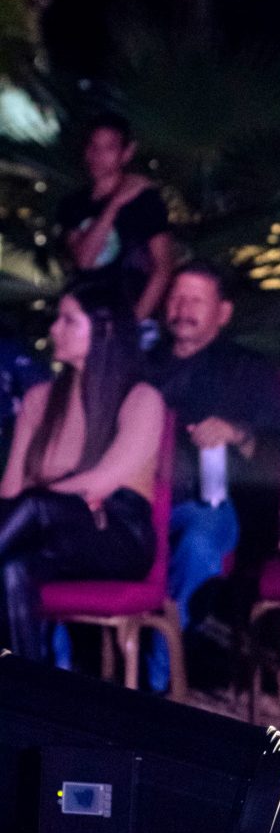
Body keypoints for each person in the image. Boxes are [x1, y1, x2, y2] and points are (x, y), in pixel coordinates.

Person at [145, 262, 280, 684]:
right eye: (176, 298)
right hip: (137, 502)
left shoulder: (249, 372)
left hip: (211, 504)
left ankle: (159, 675)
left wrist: (237, 433)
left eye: (196, 300)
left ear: (223, 312)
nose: (183, 309)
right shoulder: (142, 367)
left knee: (198, 542)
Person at [0, 279, 165, 660]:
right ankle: (26, 688)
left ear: (105, 329)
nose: (54, 329)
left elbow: (100, 483)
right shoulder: (39, 399)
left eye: (69, 320)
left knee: (37, 505)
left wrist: (38, 501)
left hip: (117, 535)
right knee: (12, 568)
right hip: (44, 535)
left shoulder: (141, 398)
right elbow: (10, 491)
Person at [55, 112, 173, 328]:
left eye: (109, 148)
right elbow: (84, 261)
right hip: (86, 318)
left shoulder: (146, 201)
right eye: (93, 146)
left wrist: (133, 324)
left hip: (131, 313)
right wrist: (115, 204)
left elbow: (163, 267)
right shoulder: (73, 204)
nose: (98, 156)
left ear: (126, 153)